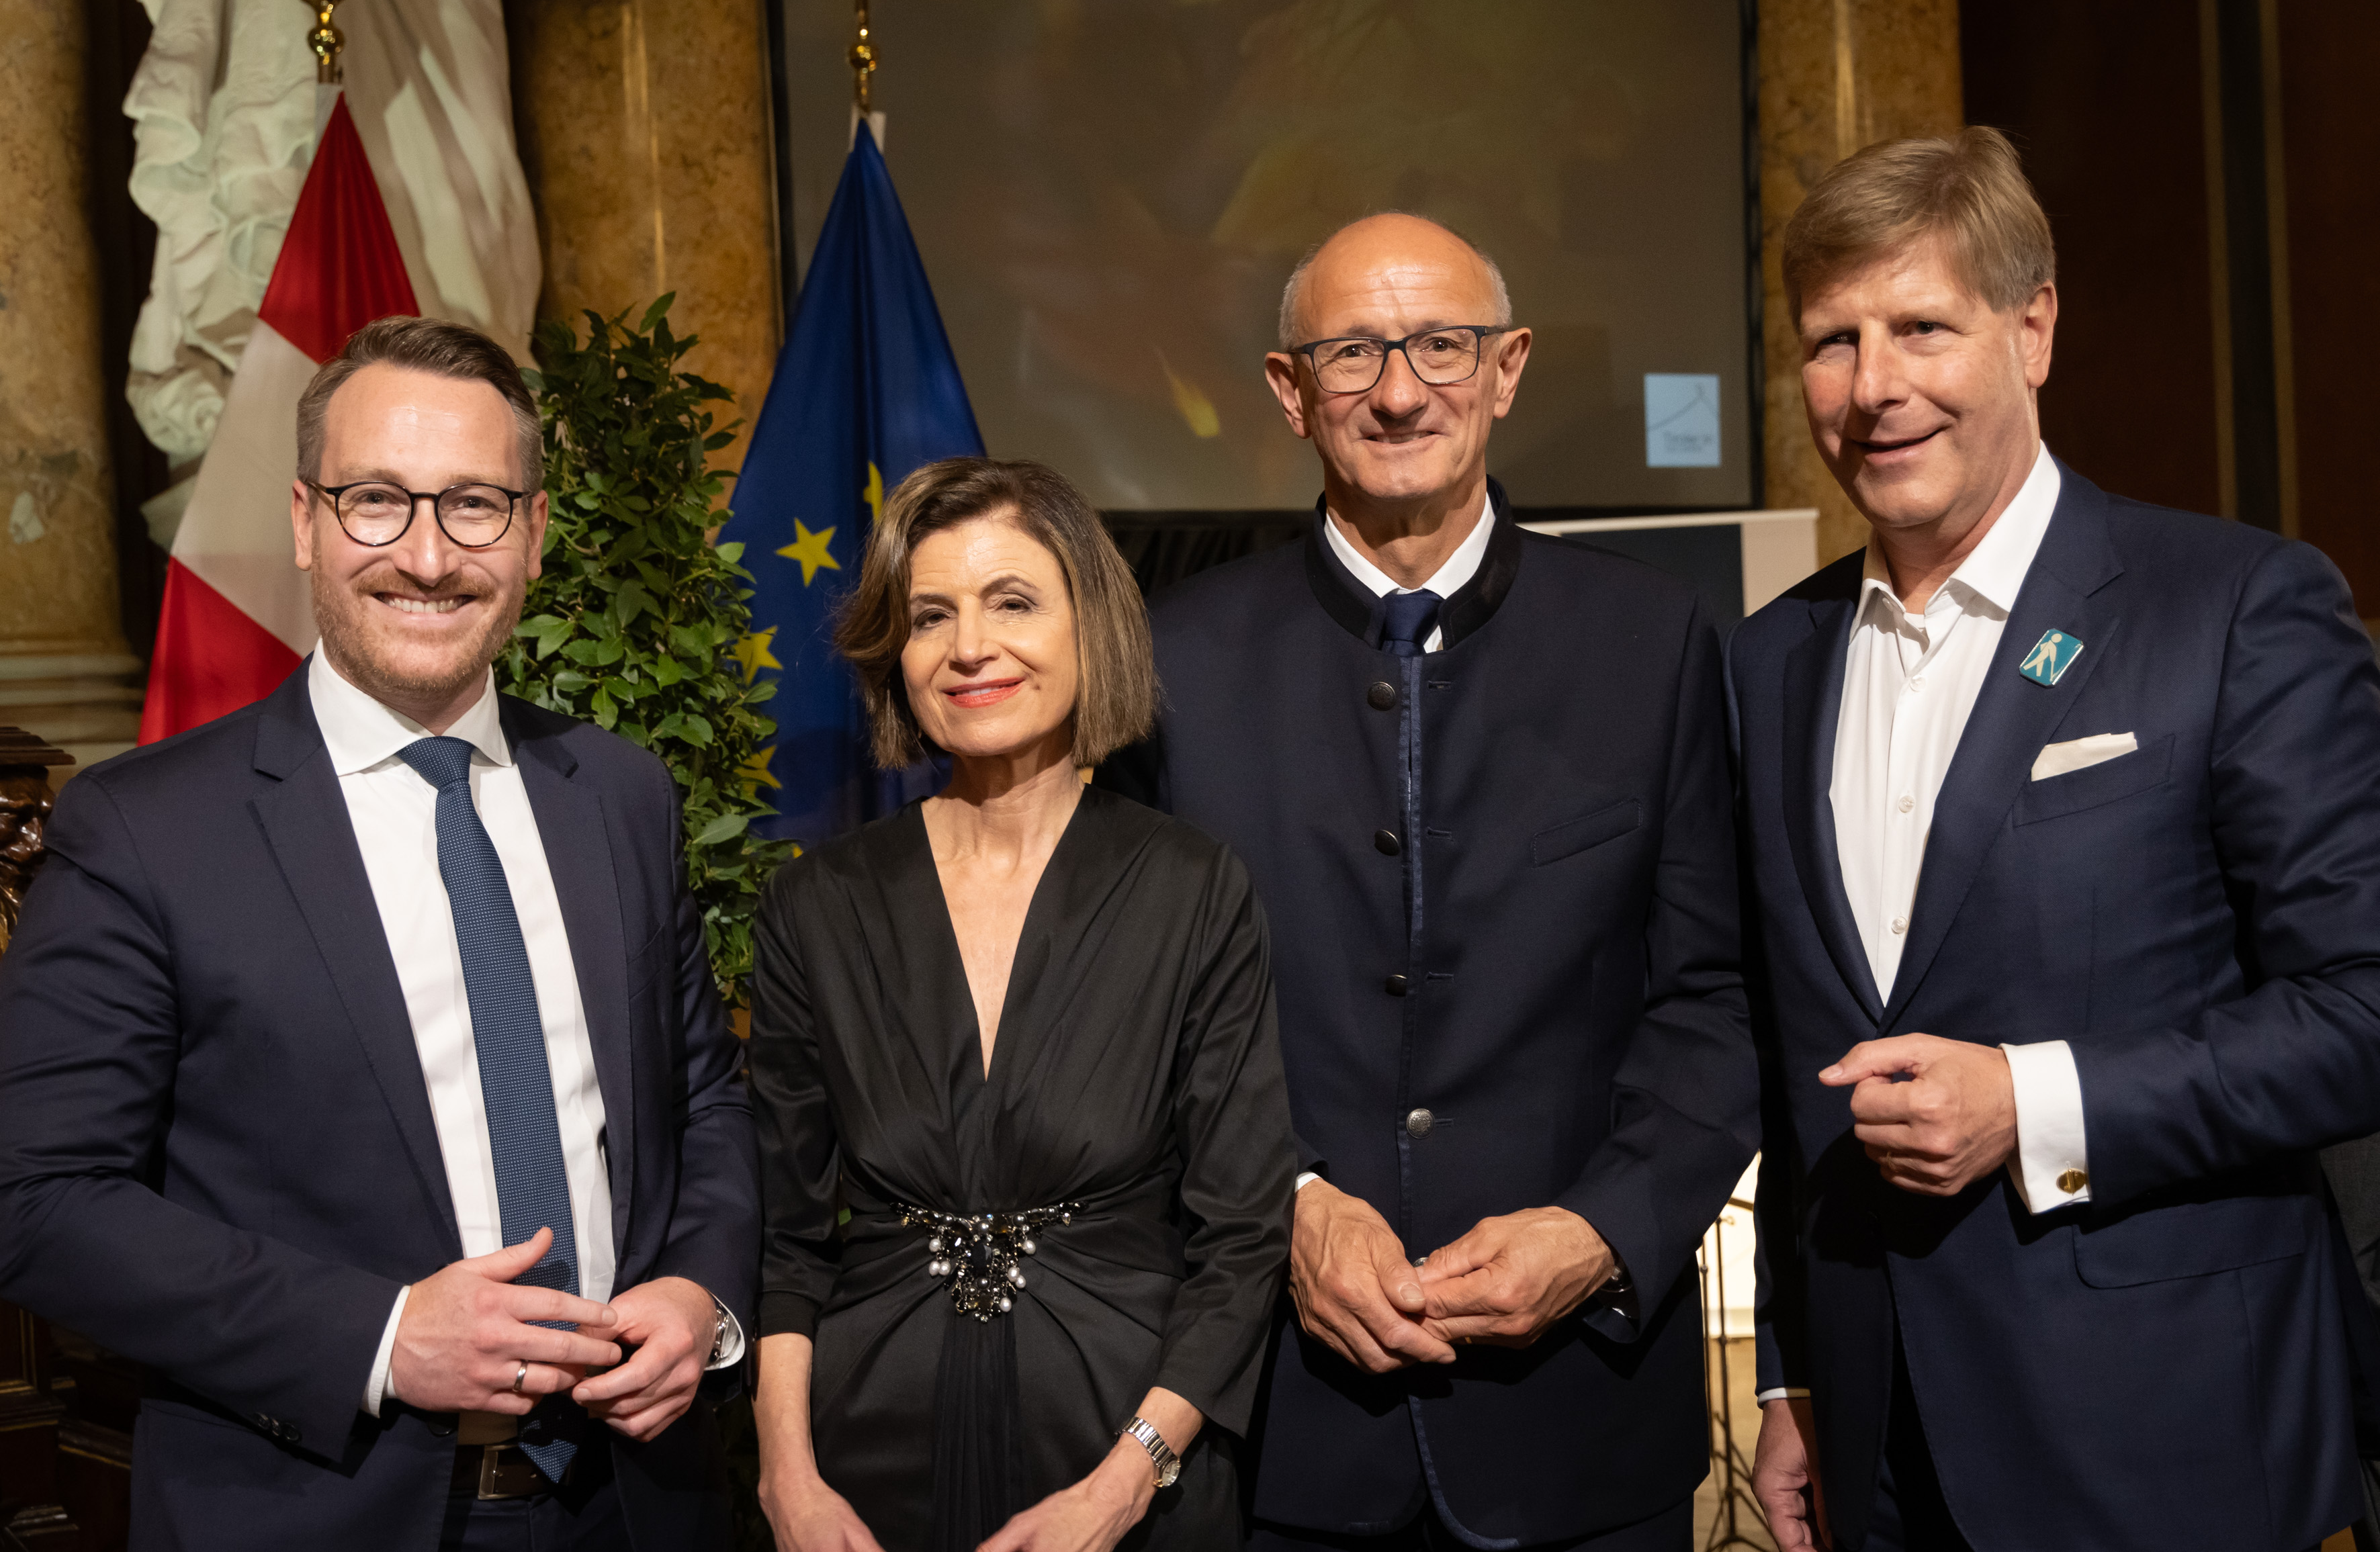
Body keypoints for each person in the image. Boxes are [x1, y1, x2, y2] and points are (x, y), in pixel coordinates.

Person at [0, 316, 759, 1549]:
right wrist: (382, 1336)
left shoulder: (620, 795)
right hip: (316, 1508)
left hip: (631, 1507)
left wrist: (700, 1290)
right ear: (306, 521)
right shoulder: (147, 830)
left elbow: (706, 1101)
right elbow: (37, 1199)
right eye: (377, 501)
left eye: (475, 504)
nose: (428, 554)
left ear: (534, 531)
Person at [1732, 128, 2380, 1552]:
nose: (1874, 385)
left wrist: (2034, 1102)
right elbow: (1794, 1070)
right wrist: (1791, 1373)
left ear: (2032, 330)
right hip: (1872, 1443)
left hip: (2165, 1437)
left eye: (1921, 327)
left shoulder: (2234, 607)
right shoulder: (1763, 664)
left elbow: (2360, 1009)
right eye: (1833, 340)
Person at [1100, 214, 1757, 1549]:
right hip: (1282, 1424)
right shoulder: (1170, 665)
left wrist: (1601, 1229)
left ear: (1507, 369)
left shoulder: (1654, 640)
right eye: (1352, 353)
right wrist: (1283, 1205)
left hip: (1580, 1419)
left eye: (1441, 346)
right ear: (1290, 390)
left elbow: (1717, 994)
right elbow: (1131, 1019)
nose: (1399, 392)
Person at [748, 457, 1295, 1552]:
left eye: (1012, 602)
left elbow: (1243, 1238)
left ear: (1090, 627)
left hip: (1131, 1463)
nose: (969, 647)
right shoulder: (817, 903)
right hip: (862, 1468)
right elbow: (785, 1243)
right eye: (931, 615)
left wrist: (1123, 1487)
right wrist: (788, 1480)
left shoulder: (1193, 888)